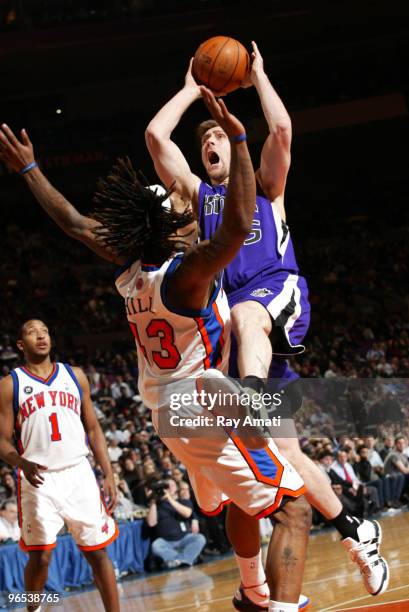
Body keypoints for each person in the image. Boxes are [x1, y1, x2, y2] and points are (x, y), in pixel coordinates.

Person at [0, 91, 311, 612]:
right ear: (169, 229)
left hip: (162, 418)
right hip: (200, 403)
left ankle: (251, 590)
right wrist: (237, 140)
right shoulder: (186, 275)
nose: (189, 210)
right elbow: (235, 227)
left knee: (104, 555)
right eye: (181, 211)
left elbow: (76, 224)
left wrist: (30, 169)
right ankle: (268, 596)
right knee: (293, 510)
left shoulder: (130, 273)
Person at [144, 42, 389, 599]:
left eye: (216, 137)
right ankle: (356, 531)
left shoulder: (265, 188)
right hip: (235, 332)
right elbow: (157, 138)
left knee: (247, 317)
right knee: (285, 454)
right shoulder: (196, 194)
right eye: (202, 139)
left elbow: (282, 133)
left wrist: (257, 77)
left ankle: (246, 398)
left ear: (234, 145)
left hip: (275, 296)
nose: (209, 142)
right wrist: (190, 89)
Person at [0, 319, 120, 612]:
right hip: (38, 477)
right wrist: (21, 462)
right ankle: (33, 608)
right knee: (40, 557)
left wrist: (109, 473)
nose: (40, 336)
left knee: (98, 553)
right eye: (31, 332)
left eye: (45, 331)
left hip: (79, 472)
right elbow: (2, 441)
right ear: (20, 345)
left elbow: (93, 429)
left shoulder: (75, 375)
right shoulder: (9, 385)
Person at [147, 478, 206, 569]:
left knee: (200, 538)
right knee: (156, 546)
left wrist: (169, 499)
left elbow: (187, 513)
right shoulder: (157, 504)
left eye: (172, 485)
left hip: (184, 537)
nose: (169, 487)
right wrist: (153, 501)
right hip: (166, 541)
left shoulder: (183, 501)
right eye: (166, 486)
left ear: (176, 488)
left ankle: (177, 560)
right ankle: (186, 559)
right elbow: (151, 523)